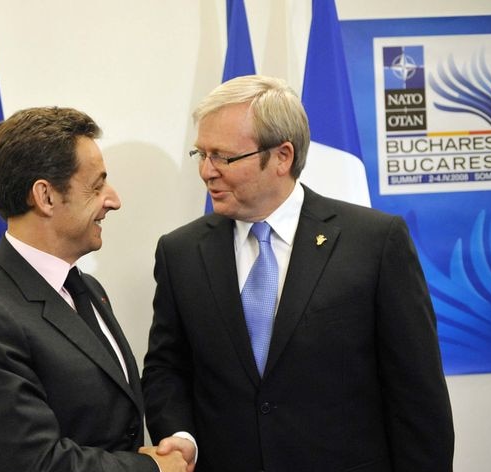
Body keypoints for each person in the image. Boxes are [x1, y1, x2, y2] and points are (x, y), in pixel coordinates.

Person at [142, 76, 455, 471]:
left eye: (223, 156)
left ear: (282, 156)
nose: (207, 171)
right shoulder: (181, 252)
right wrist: (181, 435)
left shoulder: (374, 242)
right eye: (200, 154)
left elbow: (416, 393)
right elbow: (166, 367)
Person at [0, 106, 188, 472]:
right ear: (45, 197)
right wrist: (150, 469)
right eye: (97, 185)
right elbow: (37, 463)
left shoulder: (88, 289)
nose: (113, 200)